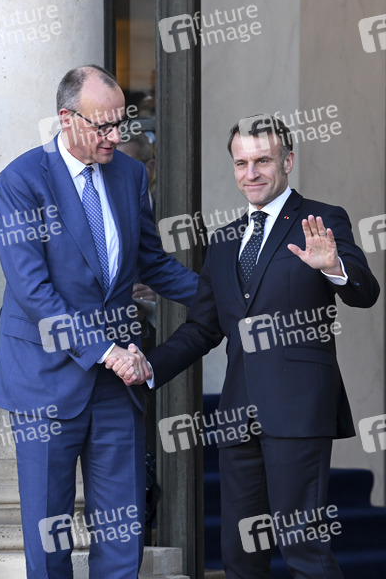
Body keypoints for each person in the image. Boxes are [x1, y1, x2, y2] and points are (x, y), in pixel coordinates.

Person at [109, 115, 380, 579]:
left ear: (287, 162)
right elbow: (203, 328)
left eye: (263, 161)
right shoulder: (224, 239)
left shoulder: (322, 219)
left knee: (304, 550)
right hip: (238, 416)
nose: (251, 173)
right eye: (241, 163)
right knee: (239, 557)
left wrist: (333, 266)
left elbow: (365, 292)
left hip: (298, 410)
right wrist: (149, 367)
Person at [0, 64, 198, 579]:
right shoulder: (20, 181)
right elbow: (34, 292)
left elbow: (151, 263)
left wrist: (224, 297)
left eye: (121, 123)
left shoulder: (130, 175)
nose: (115, 136)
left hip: (115, 388)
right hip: (45, 380)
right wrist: (107, 352)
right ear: (66, 119)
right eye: (102, 126)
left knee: (123, 540)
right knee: (49, 543)